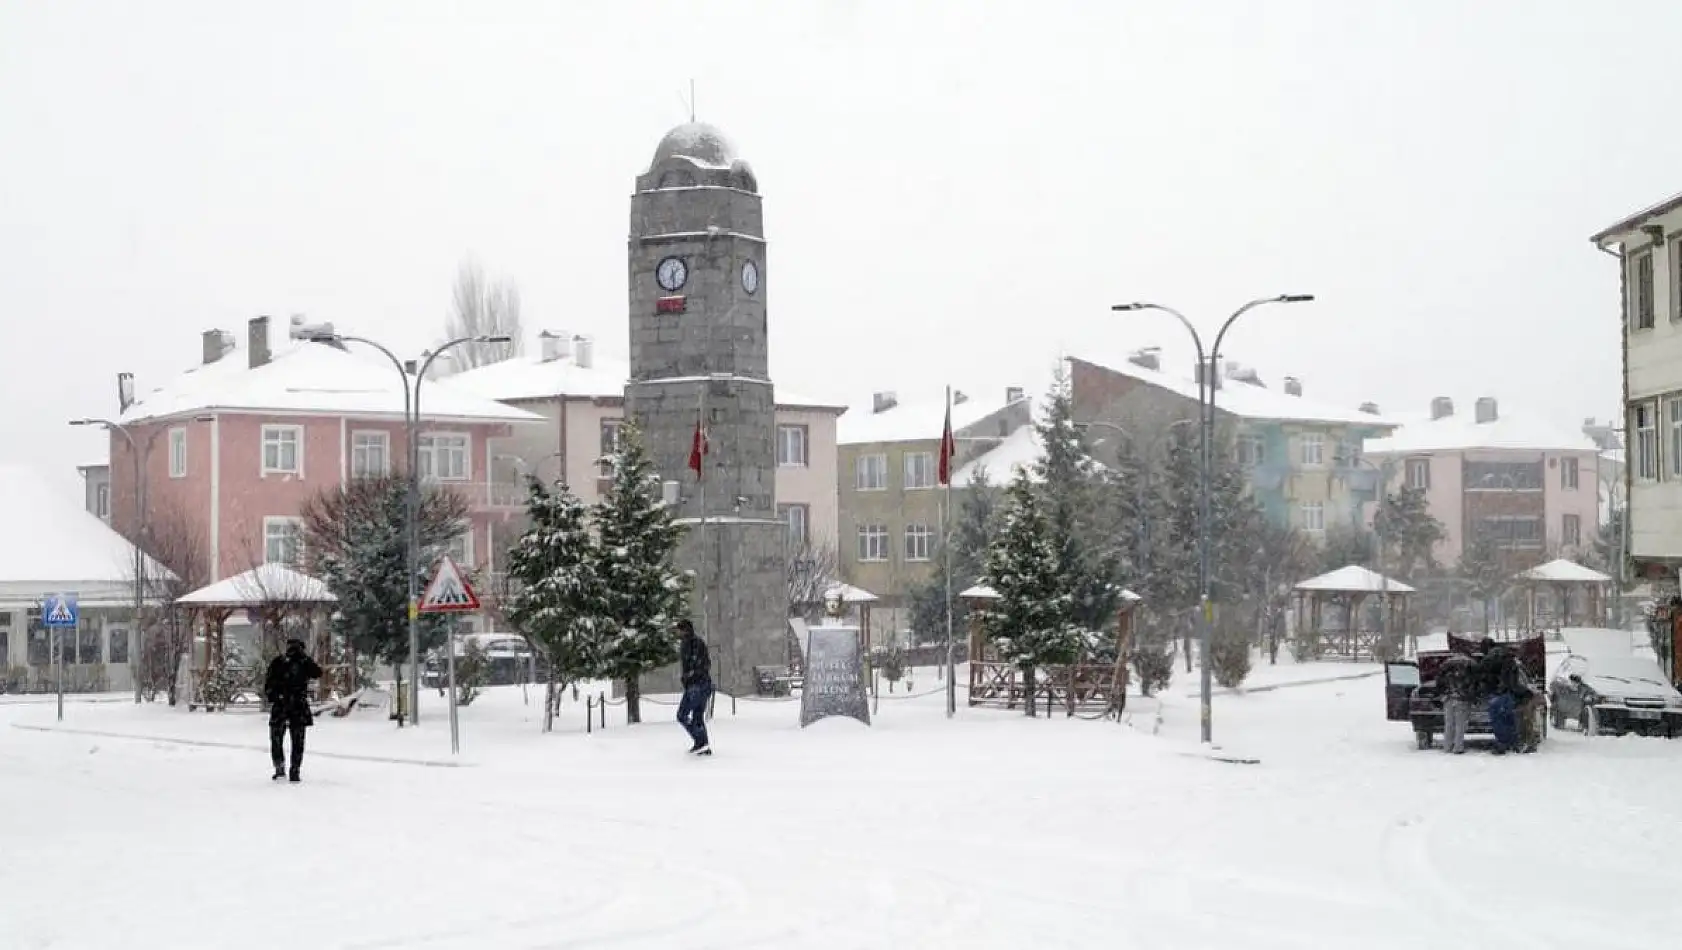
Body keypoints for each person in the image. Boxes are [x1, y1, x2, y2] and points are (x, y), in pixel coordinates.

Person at [264, 637, 323, 782]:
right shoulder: (301, 662)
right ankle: (294, 769)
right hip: (297, 704)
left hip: (283, 704)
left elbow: (268, 684)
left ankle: (280, 767)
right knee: (297, 740)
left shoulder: (280, 661)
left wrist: (275, 696)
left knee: (277, 738)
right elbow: (318, 672)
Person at [675, 619, 713, 756]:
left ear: (684, 630)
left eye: (679, 630)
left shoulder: (692, 643)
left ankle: (701, 741)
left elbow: (700, 664)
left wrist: (689, 676)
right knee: (697, 716)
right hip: (702, 684)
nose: (677, 632)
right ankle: (702, 745)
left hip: (697, 685)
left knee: (682, 714)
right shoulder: (693, 642)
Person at [1478, 640, 1518, 755]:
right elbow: (1514, 676)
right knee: (1508, 718)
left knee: (1497, 719)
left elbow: (1481, 674)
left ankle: (1501, 743)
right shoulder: (1508, 657)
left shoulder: (1489, 658)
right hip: (1510, 693)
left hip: (1497, 693)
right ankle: (1513, 742)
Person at [1438, 651, 1476, 754]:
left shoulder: (1446, 666)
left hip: (1448, 699)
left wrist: (1443, 694)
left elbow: (1439, 682)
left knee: (1449, 724)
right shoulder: (1469, 665)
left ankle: (1447, 746)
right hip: (1462, 700)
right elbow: (1473, 683)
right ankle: (1458, 747)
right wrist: (1471, 696)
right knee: (1460, 724)